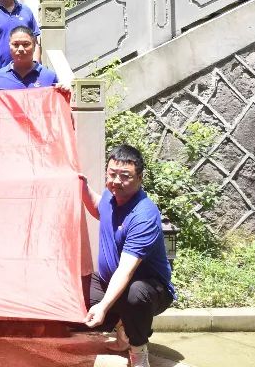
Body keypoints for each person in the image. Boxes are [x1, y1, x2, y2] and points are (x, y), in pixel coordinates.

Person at [81, 145, 175, 367]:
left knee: (135, 294)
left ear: (140, 178)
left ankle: (138, 351)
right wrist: (82, 187)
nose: (116, 181)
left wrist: (103, 307)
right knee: (73, 291)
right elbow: (99, 207)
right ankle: (123, 327)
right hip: (109, 282)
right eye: (112, 174)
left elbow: (126, 270)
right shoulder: (110, 195)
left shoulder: (143, 215)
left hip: (150, 290)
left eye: (125, 176)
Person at [0, 27, 59, 91]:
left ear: (34, 46)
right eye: (15, 44)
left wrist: (63, 92)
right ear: (9, 46)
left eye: (26, 44)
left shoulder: (49, 76)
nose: (21, 49)